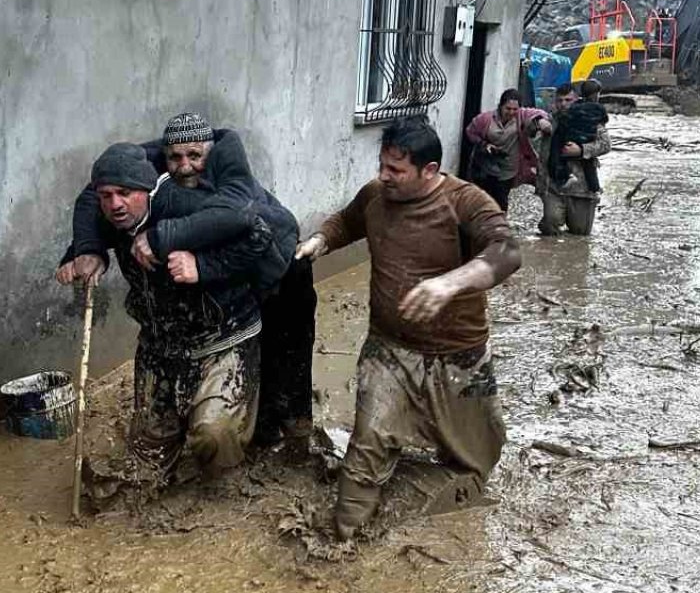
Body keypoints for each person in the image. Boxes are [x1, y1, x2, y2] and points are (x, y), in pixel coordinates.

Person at [294, 117, 520, 540]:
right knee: (366, 448)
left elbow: (507, 251)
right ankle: (347, 543)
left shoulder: (465, 202)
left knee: (476, 456)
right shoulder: (376, 196)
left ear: (429, 171)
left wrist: (450, 283)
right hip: (388, 350)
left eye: (396, 170)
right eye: (382, 165)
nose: (384, 176)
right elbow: (347, 221)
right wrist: (321, 241)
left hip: (458, 355)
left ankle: (458, 532)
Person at [58, 113, 316, 447]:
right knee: (154, 438)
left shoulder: (207, 194)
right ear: (161, 162)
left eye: (195, 157)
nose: (184, 167)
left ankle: (290, 434)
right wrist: (84, 251)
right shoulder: (136, 181)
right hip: (177, 330)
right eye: (175, 158)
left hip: (281, 268)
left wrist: (194, 259)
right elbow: (94, 197)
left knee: (281, 366)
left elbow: (252, 228)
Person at [59, 142, 271, 484]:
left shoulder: (187, 206)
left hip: (222, 339)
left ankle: (225, 485)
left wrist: (202, 265)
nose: (115, 204)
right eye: (106, 195)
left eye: (125, 193)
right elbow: (88, 231)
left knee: (213, 437)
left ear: (147, 189)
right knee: (146, 464)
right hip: (161, 348)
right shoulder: (110, 216)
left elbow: (260, 234)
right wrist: (86, 253)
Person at [537, 81, 611, 236]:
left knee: (580, 233)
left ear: (576, 99)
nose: (563, 104)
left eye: (568, 100)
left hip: (581, 187)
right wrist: (537, 122)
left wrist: (581, 150)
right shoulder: (550, 120)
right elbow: (528, 126)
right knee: (551, 225)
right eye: (560, 100)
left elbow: (605, 144)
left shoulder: (588, 118)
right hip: (554, 185)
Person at [463, 89, 552, 213]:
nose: (511, 112)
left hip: (509, 168)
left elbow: (538, 114)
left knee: (501, 199)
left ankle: (499, 222)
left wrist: (541, 121)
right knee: (483, 197)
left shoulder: (521, 116)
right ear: (501, 106)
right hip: (488, 165)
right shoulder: (485, 119)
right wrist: (485, 144)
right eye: (508, 108)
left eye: (515, 109)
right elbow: (471, 132)